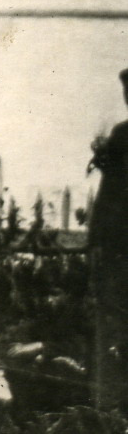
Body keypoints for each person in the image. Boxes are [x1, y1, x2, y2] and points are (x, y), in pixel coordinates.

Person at [90, 68, 128, 412]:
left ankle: (113, 405)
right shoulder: (120, 136)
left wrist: (97, 239)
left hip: (118, 245)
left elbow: (108, 194)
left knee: (116, 321)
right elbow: (107, 195)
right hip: (118, 246)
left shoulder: (121, 138)